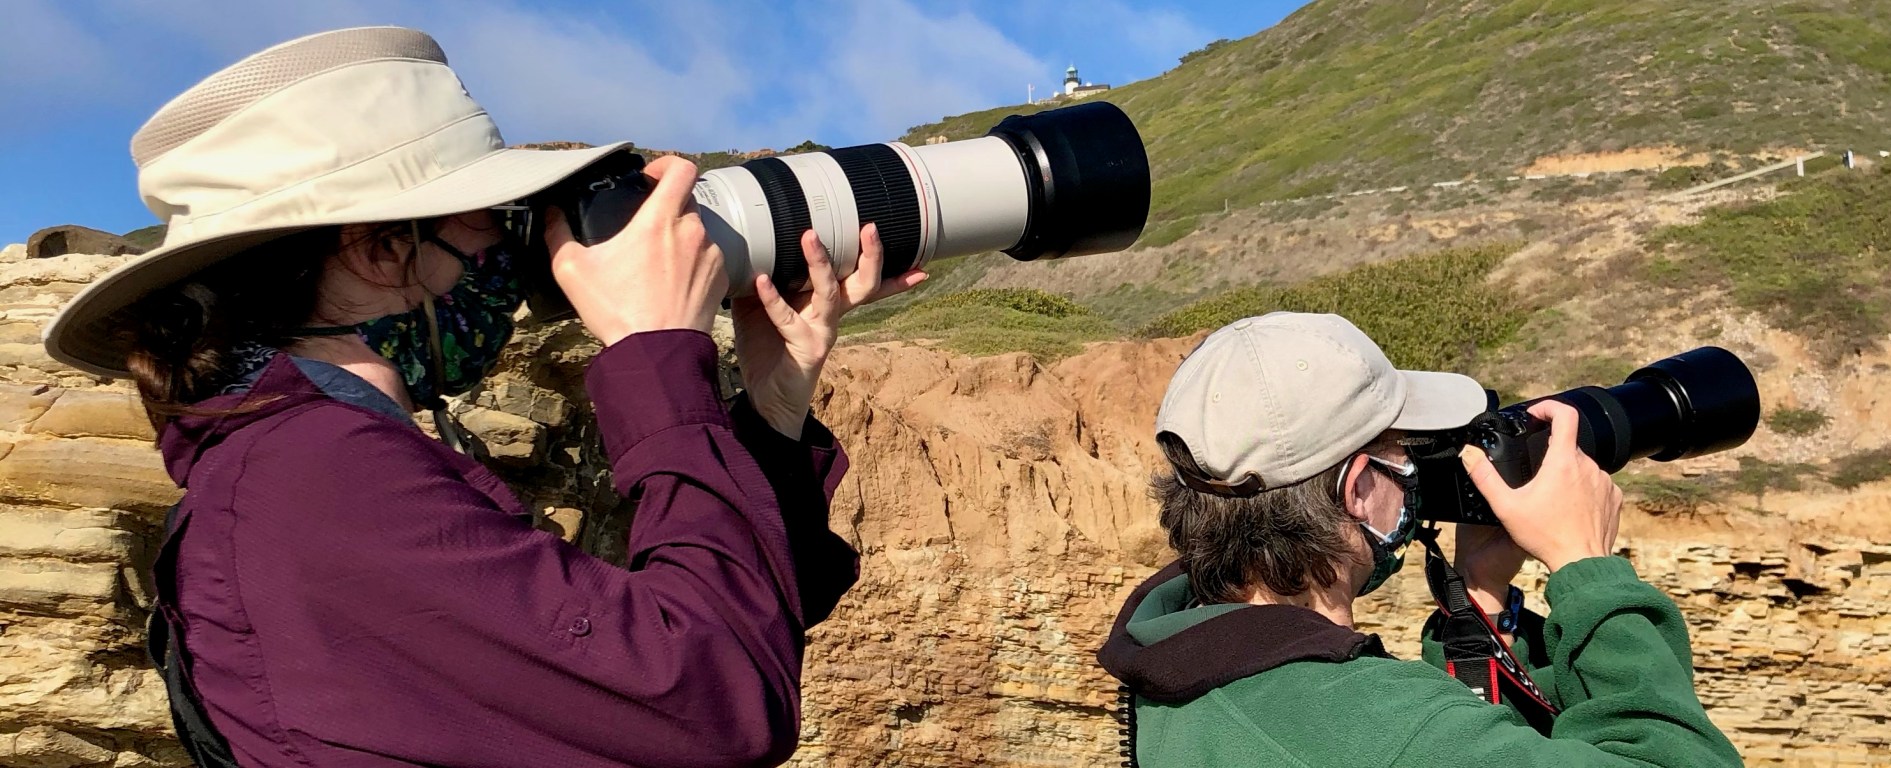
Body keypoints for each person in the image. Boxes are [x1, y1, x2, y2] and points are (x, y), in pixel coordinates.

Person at [41, 27, 923, 768]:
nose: (514, 255)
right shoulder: (316, 475)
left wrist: (768, 409)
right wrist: (657, 356)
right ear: (382, 251)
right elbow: (716, 696)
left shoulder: (301, 458)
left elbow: (717, 624)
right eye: (490, 219)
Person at [1097, 312, 1741, 767]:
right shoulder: (1367, 722)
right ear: (1357, 491)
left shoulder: (1186, 652)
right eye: (1404, 452)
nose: (1418, 472)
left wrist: (1481, 601)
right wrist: (1588, 568)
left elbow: (1474, 745)